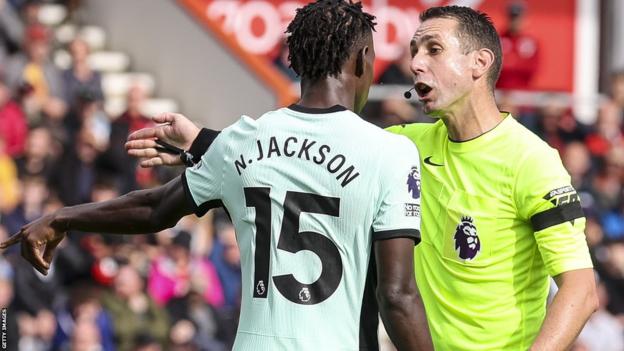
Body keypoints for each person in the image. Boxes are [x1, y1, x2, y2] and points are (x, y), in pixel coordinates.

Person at [127, 5, 598, 351]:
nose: (416, 63)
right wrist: (200, 144)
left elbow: (580, 291)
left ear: (480, 64)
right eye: (414, 50)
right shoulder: (403, 146)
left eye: (434, 49)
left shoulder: (531, 160)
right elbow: (305, 152)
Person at [0, 1, 432, 350]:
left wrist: (62, 217)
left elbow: (153, 208)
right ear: (362, 58)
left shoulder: (243, 140)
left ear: (295, 62)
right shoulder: (390, 152)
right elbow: (396, 296)